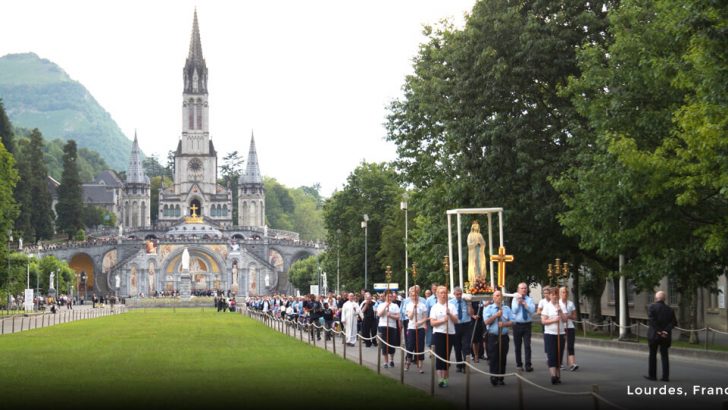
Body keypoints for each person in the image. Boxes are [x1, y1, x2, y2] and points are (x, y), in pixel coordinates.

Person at [483, 290, 513, 386]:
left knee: (502, 357)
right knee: (494, 357)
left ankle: (501, 377)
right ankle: (493, 376)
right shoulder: (489, 308)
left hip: (503, 336)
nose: (498, 297)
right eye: (496, 296)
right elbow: (486, 322)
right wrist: (496, 315)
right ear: (493, 297)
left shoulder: (507, 308)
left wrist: (504, 324)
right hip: (493, 336)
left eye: (500, 295)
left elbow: (512, 321)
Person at [430, 285, 458, 388]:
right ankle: (440, 378)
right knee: (439, 356)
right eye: (441, 293)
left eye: (445, 293)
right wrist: (442, 320)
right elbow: (432, 323)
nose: (443, 295)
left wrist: (450, 314)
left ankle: (445, 378)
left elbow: (456, 320)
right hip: (438, 333)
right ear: (437, 294)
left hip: (450, 333)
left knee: (446, 356)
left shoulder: (451, 306)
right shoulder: (435, 307)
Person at [646, 290, 676, 382]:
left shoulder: (651, 307)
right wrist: (665, 331)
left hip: (654, 335)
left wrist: (659, 331)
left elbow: (652, 321)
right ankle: (665, 376)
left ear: (656, 298)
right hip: (665, 336)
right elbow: (673, 322)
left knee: (652, 355)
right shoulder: (670, 309)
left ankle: (653, 375)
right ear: (665, 299)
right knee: (664, 356)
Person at [541, 287, 567, 385]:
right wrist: (553, 320)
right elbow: (543, 321)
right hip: (550, 334)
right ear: (550, 296)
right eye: (553, 294)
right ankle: (553, 376)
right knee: (551, 355)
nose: (555, 296)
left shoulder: (561, 306)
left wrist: (560, 311)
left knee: (559, 355)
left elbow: (565, 320)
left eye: (556, 294)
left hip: (560, 334)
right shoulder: (547, 306)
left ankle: (557, 375)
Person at [512, 282, 536, 372]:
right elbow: (514, 310)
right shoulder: (514, 299)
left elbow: (532, 310)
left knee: (527, 346)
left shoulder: (529, 299)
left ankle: (528, 365)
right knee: (517, 346)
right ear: (518, 290)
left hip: (527, 325)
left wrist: (525, 304)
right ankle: (519, 364)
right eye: (522, 288)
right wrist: (518, 303)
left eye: (525, 288)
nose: (524, 290)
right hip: (517, 325)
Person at [450, 287, 474, 373]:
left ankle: (466, 366)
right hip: (456, 325)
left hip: (466, 325)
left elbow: (471, 314)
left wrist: (469, 304)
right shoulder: (451, 303)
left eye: (460, 294)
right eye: (457, 294)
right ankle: (459, 365)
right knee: (457, 346)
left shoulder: (466, 301)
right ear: (454, 294)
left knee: (466, 346)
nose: (459, 296)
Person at [405, 286, 428, 373]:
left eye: (416, 295)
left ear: (418, 295)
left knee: (420, 346)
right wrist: (413, 309)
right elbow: (410, 317)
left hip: (420, 328)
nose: (414, 297)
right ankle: (408, 363)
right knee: (410, 346)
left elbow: (425, 317)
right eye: (412, 296)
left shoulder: (422, 305)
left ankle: (420, 366)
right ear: (410, 296)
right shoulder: (409, 305)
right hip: (411, 328)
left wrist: (420, 322)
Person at [377, 291, 401, 368]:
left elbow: (398, 317)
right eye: (388, 296)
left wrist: (390, 315)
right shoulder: (381, 305)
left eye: (391, 296)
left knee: (392, 344)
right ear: (385, 297)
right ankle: (385, 361)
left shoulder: (395, 305)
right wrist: (385, 307)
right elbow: (379, 314)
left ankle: (391, 360)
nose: (389, 298)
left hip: (392, 326)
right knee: (384, 344)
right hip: (383, 326)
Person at [559, 286, 578, 371]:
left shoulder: (570, 303)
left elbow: (575, 316)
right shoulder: (557, 303)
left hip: (570, 326)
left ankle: (572, 364)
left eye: (566, 292)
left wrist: (569, 316)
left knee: (570, 345)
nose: (565, 294)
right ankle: (559, 363)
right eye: (563, 292)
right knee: (561, 346)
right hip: (561, 327)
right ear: (559, 293)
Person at [467, 220, 487, 285]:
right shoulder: (470, 235)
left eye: (477, 226)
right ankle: (474, 278)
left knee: (480, 264)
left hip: (479, 251)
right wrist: (475, 243)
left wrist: (480, 243)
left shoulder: (479, 235)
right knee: (474, 265)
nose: (476, 228)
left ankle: (480, 278)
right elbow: (469, 244)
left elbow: (483, 243)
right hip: (473, 252)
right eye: (475, 226)